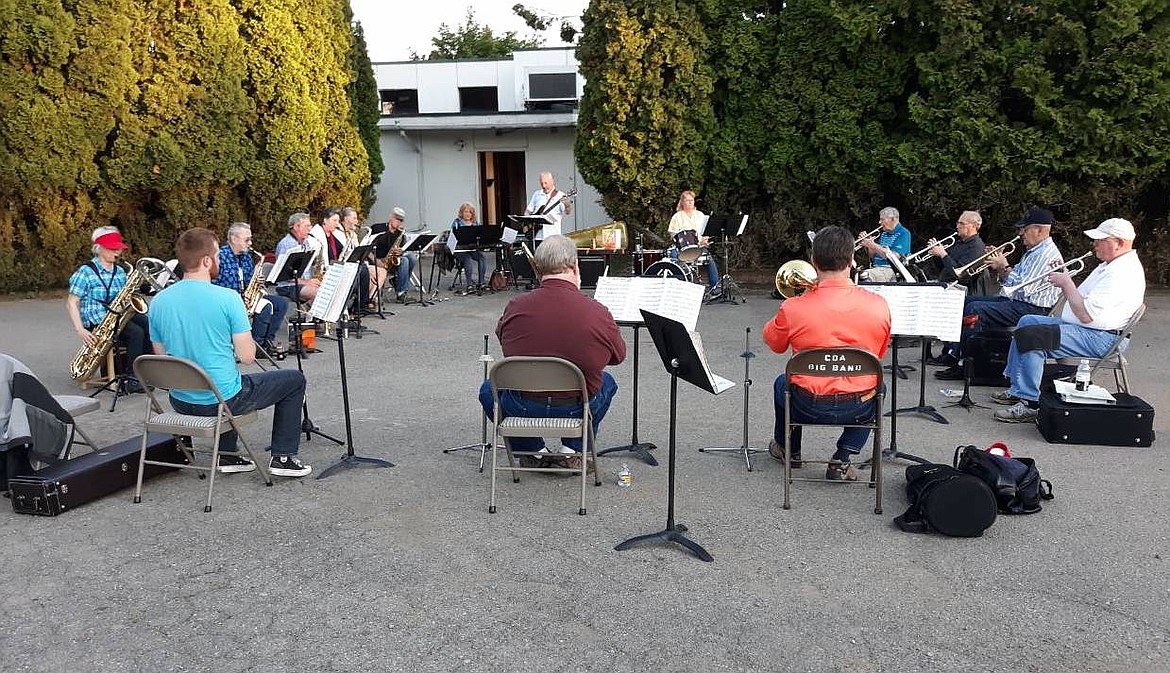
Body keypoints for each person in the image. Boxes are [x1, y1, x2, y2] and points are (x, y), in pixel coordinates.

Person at [148, 227, 312, 477]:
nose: (219, 261)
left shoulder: (159, 301)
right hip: (221, 400)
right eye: (216, 255)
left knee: (225, 377)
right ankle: (283, 457)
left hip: (180, 400)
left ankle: (228, 455)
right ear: (206, 261)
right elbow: (247, 357)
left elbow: (161, 354)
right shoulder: (227, 298)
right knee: (293, 380)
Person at [478, 235, 625, 467]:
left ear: (538, 268)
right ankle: (573, 451)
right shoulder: (597, 311)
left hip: (522, 406)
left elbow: (502, 337)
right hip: (575, 407)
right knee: (607, 382)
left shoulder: (516, 306)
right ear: (575, 266)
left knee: (489, 389)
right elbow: (618, 356)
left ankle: (532, 452)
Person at [764, 225, 891, 481]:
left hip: (806, 404)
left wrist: (787, 309)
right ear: (852, 260)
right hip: (859, 405)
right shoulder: (879, 305)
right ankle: (841, 460)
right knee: (880, 387)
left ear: (813, 261)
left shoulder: (793, 307)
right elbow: (878, 354)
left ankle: (790, 450)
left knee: (782, 383)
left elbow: (775, 344)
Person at [993, 218, 1145, 423]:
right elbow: (1082, 301)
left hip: (1102, 338)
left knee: (1034, 337)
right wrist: (1066, 278)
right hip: (1089, 330)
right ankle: (1016, 387)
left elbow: (1085, 314)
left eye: (1100, 240)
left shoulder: (1121, 273)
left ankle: (1030, 403)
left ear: (1118, 243)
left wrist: (1066, 284)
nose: (1095, 244)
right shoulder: (1111, 265)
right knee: (1027, 321)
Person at [935, 206, 1064, 380]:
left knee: (975, 309)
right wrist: (1000, 268)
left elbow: (1024, 288)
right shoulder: (1033, 251)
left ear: (1039, 230)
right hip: (1016, 302)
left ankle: (965, 364)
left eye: (1024, 230)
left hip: (1031, 308)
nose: (1020, 234)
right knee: (965, 301)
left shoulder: (1047, 255)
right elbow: (1011, 282)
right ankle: (955, 354)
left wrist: (1004, 265)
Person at [65, 226, 152, 391]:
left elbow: (124, 298)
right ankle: (132, 378)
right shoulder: (86, 272)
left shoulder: (119, 271)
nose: (117, 252)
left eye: (118, 248)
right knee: (136, 333)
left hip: (117, 315)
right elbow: (71, 302)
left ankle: (147, 372)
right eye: (113, 248)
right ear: (99, 249)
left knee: (148, 324)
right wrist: (80, 330)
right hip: (97, 320)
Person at [923, 210, 991, 366]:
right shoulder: (960, 243)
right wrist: (936, 254)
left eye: (961, 223)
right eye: (958, 223)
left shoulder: (976, 246)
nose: (957, 226)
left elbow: (959, 273)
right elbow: (945, 268)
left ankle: (952, 351)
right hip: (948, 285)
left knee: (931, 302)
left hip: (960, 288)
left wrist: (943, 255)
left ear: (974, 226)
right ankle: (945, 350)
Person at [212, 222, 289, 354]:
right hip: (228, 300)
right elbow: (214, 283)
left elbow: (249, 280)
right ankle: (255, 346)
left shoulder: (246, 256)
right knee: (265, 306)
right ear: (234, 238)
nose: (250, 243)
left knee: (281, 304)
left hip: (245, 296)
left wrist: (257, 281)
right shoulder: (220, 256)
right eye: (247, 239)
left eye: (250, 239)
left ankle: (266, 341)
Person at [665, 190, 721, 291]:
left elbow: (705, 232)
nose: (690, 202)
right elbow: (673, 235)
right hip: (681, 248)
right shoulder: (677, 217)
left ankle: (715, 287)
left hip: (698, 246)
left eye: (692, 200)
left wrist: (704, 241)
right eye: (687, 200)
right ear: (682, 202)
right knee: (674, 258)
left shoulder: (700, 215)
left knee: (709, 259)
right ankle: (678, 287)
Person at [341, 206, 387, 305]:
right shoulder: (339, 234)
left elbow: (360, 253)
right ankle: (361, 303)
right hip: (347, 267)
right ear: (345, 219)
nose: (357, 221)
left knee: (382, 272)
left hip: (357, 264)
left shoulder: (353, 234)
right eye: (354, 218)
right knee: (365, 271)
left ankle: (369, 300)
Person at [273, 212, 321, 304]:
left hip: (301, 283)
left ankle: (311, 316)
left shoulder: (305, 242)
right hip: (287, 286)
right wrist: (306, 282)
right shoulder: (286, 244)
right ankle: (310, 316)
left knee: (329, 291)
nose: (309, 229)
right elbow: (285, 275)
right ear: (296, 227)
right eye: (306, 226)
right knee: (319, 294)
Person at [858, 207, 912, 282]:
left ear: (893, 219)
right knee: (856, 275)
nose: (879, 222)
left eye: (882, 219)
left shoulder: (904, 233)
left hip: (890, 270)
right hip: (877, 269)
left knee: (864, 276)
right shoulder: (884, 234)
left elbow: (894, 258)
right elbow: (873, 257)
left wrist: (873, 245)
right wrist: (868, 245)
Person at [380, 207, 417, 302]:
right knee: (404, 260)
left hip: (393, 261)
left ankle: (399, 284)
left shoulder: (400, 234)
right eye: (397, 219)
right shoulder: (378, 228)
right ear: (390, 217)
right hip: (380, 260)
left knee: (411, 258)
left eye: (401, 220)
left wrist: (401, 251)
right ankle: (400, 292)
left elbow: (402, 250)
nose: (399, 222)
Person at [450, 202, 487, 295]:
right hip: (460, 249)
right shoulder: (457, 222)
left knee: (482, 257)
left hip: (472, 248)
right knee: (467, 259)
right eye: (465, 211)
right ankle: (469, 285)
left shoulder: (475, 223)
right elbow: (453, 237)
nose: (467, 214)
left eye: (470, 212)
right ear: (461, 213)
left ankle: (481, 283)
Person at [523, 171, 572, 241]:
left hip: (553, 236)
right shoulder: (537, 194)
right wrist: (527, 223)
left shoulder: (560, 195)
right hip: (537, 236)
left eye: (546, 183)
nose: (544, 186)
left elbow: (568, 212)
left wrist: (567, 205)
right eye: (541, 183)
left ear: (552, 181)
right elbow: (527, 211)